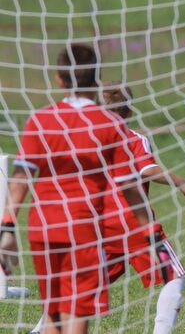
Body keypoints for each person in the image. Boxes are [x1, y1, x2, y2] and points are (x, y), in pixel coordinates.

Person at [0, 44, 150, 334]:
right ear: (95, 81)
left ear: (58, 79)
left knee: (54, 314)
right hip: (83, 230)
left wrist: (7, 227)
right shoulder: (110, 124)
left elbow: (20, 180)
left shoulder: (40, 120)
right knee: (76, 316)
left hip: (43, 230)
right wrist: (151, 233)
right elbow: (129, 187)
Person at [27, 83, 185, 334]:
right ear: (128, 113)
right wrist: (180, 181)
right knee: (175, 276)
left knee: (79, 287)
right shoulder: (133, 138)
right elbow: (146, 169)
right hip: (132, 222)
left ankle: (39, 331)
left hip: (95, 223)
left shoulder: (84, 140)